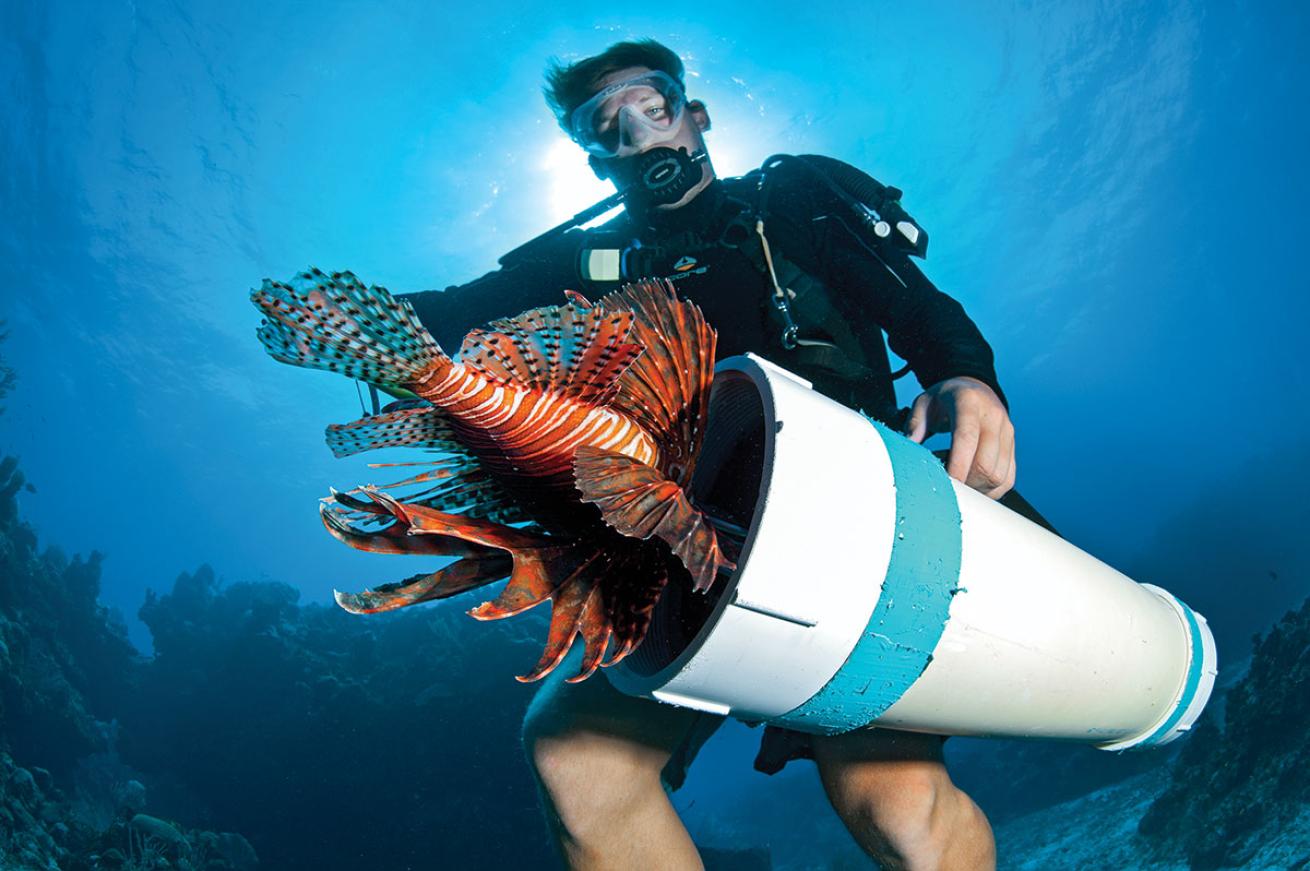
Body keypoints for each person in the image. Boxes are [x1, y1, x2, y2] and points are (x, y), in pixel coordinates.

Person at [403, 39, 1009, 871]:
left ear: (696, 114)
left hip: (859, 521)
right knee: (578, 761)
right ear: (591, 158)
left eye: (650, 106)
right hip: (689, 547)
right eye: (605, 125)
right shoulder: (581, 264)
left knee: (891, 796)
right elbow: (449, 317)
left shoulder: (789, 200)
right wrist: (349, 330)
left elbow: (919, 305)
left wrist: (966, 376)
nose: (636, 133)